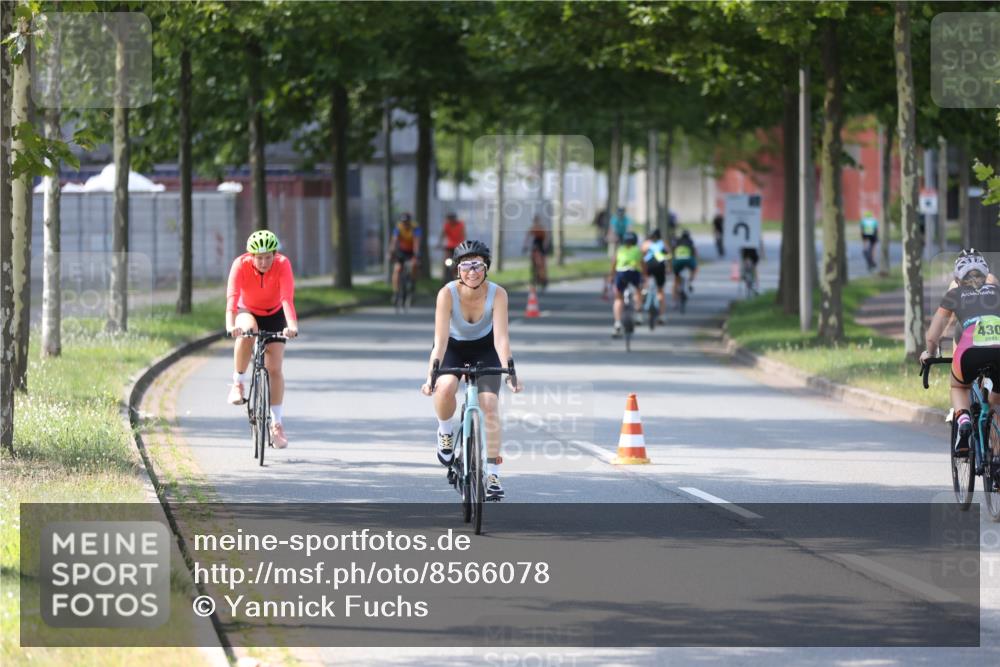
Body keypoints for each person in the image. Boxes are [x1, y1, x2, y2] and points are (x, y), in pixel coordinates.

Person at [421, 240, 522, 499]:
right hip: (452, 347)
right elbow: (440, 340)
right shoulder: (446, 294)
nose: (472, 271)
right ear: (457, 270)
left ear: (486, 267)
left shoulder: (498, 294)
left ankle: (492, 473)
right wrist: (431, 375)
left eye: (477, 265)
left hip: (485, 349)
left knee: (489, 403)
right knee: (445, 389)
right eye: (466, 265)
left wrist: (510, 371)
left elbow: (501, 339)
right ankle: (445, 432)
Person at [921, 250, 1000, 462]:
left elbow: (933, 335)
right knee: (996, 403)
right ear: (987, 274)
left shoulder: (954, 294)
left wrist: (929, 353)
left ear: (957, 279)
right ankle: (997, 460)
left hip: (969, 353)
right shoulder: (997, 290)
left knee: (958, 386)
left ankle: (963, 418)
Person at [225, 230, 299, 449]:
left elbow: (287, 298)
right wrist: (231, 325)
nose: (265, 262)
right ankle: (238, 383)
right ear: (251, 256)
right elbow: (232, 299)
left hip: (275, 313)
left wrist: (291, 326)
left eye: (269, 257)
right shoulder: (240, 265)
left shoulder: (283, 264)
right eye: (260, 257)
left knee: (274, 369)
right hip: (249, 310)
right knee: (247, 331)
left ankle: (276, 424)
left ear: (275, 255)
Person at [609, 231, 644, 337]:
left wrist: (611, 276)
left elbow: (614, 264)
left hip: (621, 273)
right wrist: (645, 276)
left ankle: (617, 323)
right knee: (638, 290)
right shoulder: (638, 250)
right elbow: (643, 264)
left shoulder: (620, 250)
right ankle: (638, 314)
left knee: (618, 298)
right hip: (634, 272)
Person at [390, 212, 422, 300]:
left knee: (414, 265)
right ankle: (395, 292)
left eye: (407, 222)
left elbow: (416, 242)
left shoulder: (415, 228)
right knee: (397, 269)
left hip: (412, 251)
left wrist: (416, 254)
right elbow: (394, 241)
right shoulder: (398, 228)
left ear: (410, 222)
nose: (405, 224)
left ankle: (412, 282)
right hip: (402, 251)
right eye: (403, 222)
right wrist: (391, 252)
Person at [642, 228, 670, 325]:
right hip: (660, 266)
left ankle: (644, 290)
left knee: (644, 281)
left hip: (648, 265)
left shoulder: (646, 244)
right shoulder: (663, 244)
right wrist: (669, 268)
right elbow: (668, 255)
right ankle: (662, 316)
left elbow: (641, 255)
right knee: (661, 290)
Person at [671, 229, 698, 305]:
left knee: (676, 281)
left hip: (677, 261)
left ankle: (674, 301)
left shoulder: (677, 241)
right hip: (688, 260)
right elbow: (694, 253)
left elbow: (673, 252)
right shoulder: (690, 241)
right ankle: (690, 281)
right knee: (695, 268)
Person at [522, 215, 550, 290]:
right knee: (533, 262)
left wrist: (545, 247)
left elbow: (546, 239)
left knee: (542, 264)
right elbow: (527, 237)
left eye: (536, 221)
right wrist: (525, 246)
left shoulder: (541, 229)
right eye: (535, 221)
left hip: (541, 247)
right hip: (535, 247)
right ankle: (534, 276)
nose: (536, 223)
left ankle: (543, 278)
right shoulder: (533, 228)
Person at [439, 211, 466, 284]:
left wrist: (463, 244)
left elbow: (463, 235)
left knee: (459, 262)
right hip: (449, 247)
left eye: (451, 219)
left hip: (458, 247)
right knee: (446, 261)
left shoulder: (460, 224)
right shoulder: (447, 225)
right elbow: (443, 234)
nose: (450, 221)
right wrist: (439, 243)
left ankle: (459, 278)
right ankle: (444, 280)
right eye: (449, 219)